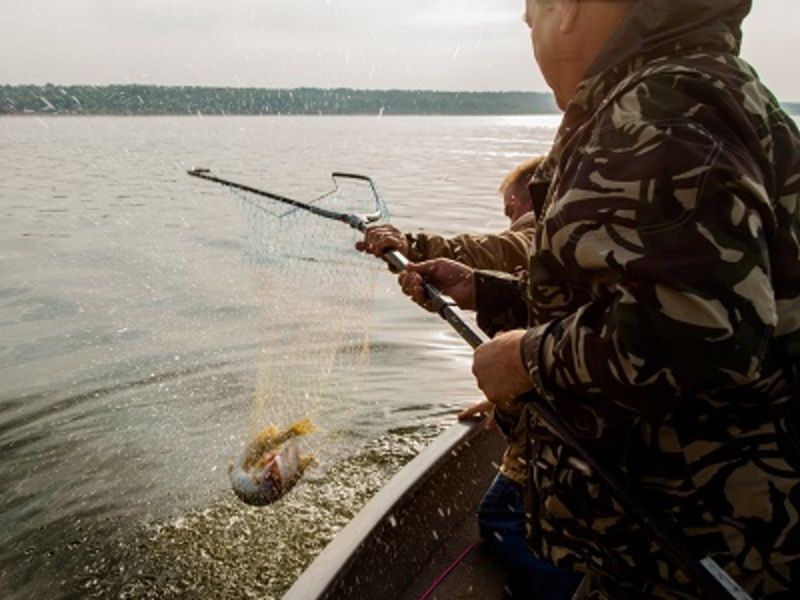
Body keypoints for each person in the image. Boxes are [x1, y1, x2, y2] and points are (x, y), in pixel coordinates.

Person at [393, 0, 800, 597]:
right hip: (687, 538)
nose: (533, 46)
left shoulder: (661, 107)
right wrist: (483, 290)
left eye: (532, 23)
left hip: (695, 549)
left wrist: (524, 359)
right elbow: (638, 295)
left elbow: (700, 331)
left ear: (570, 10)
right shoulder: (700, 85)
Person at [359, 157, 583, 598]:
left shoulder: (542, 223)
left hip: (565, 439)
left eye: (508, 205)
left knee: (500, 515)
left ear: (523, 194)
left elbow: (504, 249)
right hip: (563, 394)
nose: (509, 216)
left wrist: (412, 245)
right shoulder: (582, 233)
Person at [357, 156, 542, 273]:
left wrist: (414, 247)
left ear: (533, 194)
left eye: (510, 212)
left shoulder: (544, 231)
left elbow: (509, 250)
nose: (511, 225)